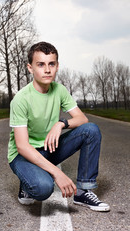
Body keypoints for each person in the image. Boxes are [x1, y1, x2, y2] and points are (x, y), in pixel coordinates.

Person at [8, 41, 110, 212]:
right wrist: (57, 173)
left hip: (49, 148)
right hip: (23, 156)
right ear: (30, 68)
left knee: (91, 130)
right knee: (43, 188)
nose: (47, 70)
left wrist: (61, 123)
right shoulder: (21, 99)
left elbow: (82, 119)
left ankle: (83, 191)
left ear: (57, 66)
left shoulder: (59, 90)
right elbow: (22, 146)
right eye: (40, 64)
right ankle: (27, 181)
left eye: (51, 64)